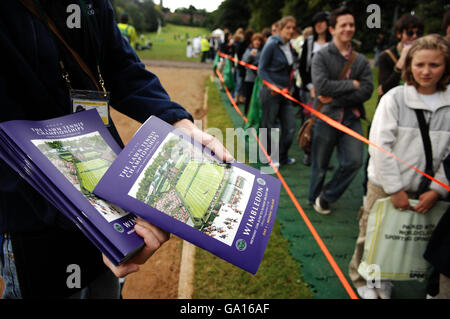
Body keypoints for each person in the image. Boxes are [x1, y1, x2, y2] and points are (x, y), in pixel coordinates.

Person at [0, 0, 232, 299]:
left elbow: (120, 67)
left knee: (104, 289)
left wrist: (179, 123)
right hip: (34, 216)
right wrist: (96, 218)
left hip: (104, 187)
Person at [349, 34, 450, 299]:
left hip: (425, 187)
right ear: (409, 66)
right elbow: (381, 147)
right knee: (372, 232)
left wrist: (439, 188)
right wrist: (394, 188)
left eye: (434, 65)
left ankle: (386, 278)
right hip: (385, 184)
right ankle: (363, 279)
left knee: (405, 237)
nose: (426, 71)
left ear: (446, 66)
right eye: (419, 65)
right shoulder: (394, 99)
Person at [308, 7, 373, 214]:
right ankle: (312, 198)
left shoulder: (361, 60)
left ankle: (327, 196)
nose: (348, 29)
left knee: (354, 161)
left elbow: (367, 90)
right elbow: (322, 86)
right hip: (325, 118)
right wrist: (352, 85)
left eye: (351, 25)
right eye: (343, 25)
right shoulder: (321, 56)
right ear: (333, 28)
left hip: (351, 119)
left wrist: (336, 98)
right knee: (319, 164)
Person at [258, 16, 298, 168]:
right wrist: (274, 86)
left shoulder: (289, 46)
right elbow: (261, 70)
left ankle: (282, 156)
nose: (291, 31)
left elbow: (290, 71)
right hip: (271, 93)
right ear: (280, 29)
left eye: (293, 28)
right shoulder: (272, 45)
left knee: (290, 127)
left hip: (285, 94)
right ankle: (270, 157)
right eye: (287, 27)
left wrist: (290, 88)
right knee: (270, 126)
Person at [298, 11, 332, 166]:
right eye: (316, 22)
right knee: (310, 122)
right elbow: (302, 67)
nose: (319, 25)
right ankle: (308, 152)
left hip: (330, 89)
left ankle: (325, 157)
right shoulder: (310, 41)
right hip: (311, 89)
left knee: (328, 124)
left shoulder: (333, 42)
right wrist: (310, 86)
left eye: (322, 21)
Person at [377, 13, 424, 100]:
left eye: (419, 33)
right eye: (410, 33)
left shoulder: (424, 56)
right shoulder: (386, 56)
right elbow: (384, 89)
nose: (415, 36)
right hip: (392, 104)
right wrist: (402, 60)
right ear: (399, 34)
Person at [242, 33, 263, 116]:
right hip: (250, 78)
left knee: (258, 98)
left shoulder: (263, 51)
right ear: (252, 41)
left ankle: (256, 115)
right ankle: (246, 114)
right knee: (249, 97)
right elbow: (244, 62)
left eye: (259, 40)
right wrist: (250, 56)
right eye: (255, 40)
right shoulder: (249, 50)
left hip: (259, 79)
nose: (257, 42)